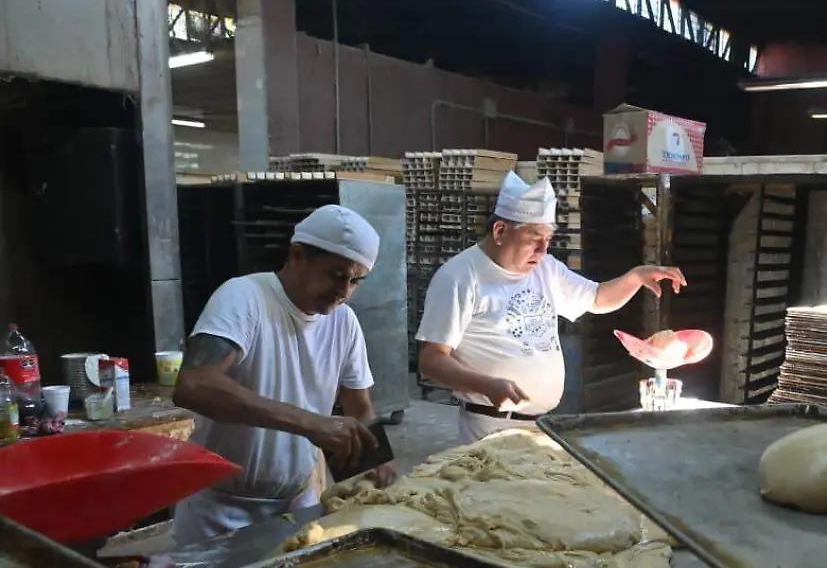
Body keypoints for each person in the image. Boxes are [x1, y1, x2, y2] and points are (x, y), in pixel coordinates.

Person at [172, 204, 394, 546]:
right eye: (336, 275)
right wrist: (311, 423)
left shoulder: (344, 322)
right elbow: (194, 384)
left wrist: (374, 459)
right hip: (219, 511)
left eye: (356, 280)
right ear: (297, 255)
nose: (345, 291)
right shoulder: (245, 298)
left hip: (299, 504)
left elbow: (358, 406)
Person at [417, 171, 687, 442]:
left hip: (542, 424)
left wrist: (636, 277)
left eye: (548, 239)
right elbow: (432, 360)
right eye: (535, 238)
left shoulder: (545, 269)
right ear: (500, 231)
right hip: (491, 426)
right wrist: (487, 385)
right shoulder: (460, 277)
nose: (543, 250)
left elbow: (597, 298)